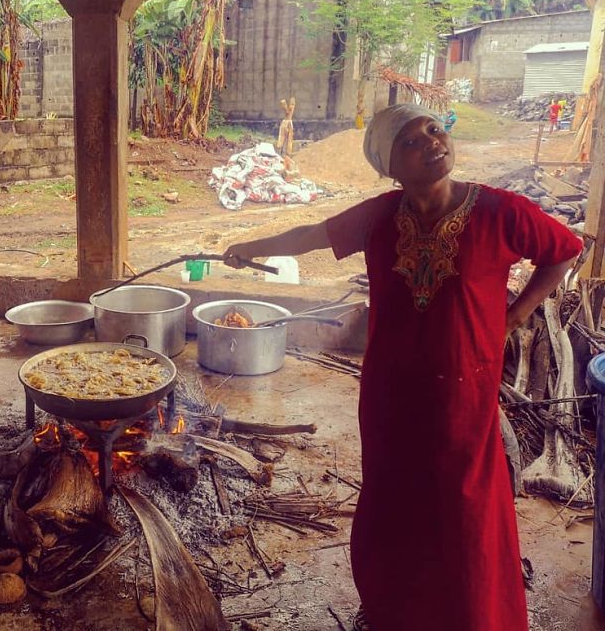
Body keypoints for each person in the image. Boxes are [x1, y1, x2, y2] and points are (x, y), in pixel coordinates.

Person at [223, 103, 582, 631]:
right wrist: (247, 246)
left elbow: (563, 250)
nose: (432, 142)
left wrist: (515, 315)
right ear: (389, 165)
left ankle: (472, 615)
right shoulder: (381, 217)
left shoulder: (499, 211)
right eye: (411, 141)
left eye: (434, 130)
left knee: (463, 502)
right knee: (394, 490)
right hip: (390, 388)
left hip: (463, 386)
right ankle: (398, 609)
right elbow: (312, 235)